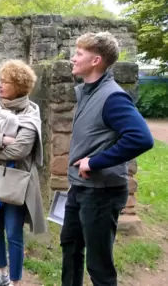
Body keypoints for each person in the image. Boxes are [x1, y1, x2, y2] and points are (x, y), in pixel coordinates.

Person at [61, 32, 154, 286]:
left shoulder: (112, 96)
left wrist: (94, 161)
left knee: (99, 265)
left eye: (79, 53)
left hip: (102, 193)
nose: (73, 58)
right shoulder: (87, 92)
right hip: (79, 189)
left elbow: (141, 138)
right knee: (70, 248)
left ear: (96, 60)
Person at [0, 60, 47, 286]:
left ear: (20, 86)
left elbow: (20, 150)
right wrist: (1, 139)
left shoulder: (31, 112)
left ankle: (14, 281)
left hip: (16, 181)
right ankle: (1, 273)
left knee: (13, 233)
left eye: (5, 82)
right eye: (0, 80)